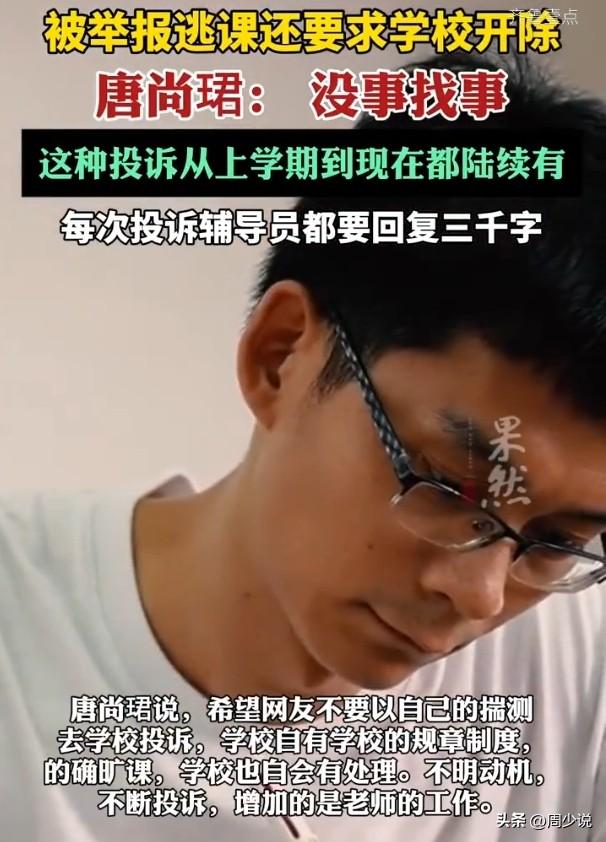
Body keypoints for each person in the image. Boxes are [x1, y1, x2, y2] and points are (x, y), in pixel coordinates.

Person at [2, 53, 606, 842]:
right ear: (281, 355)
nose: (482, 595)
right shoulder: (22, 645)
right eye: (449, 486)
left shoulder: (574, 669)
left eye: (556, 541)